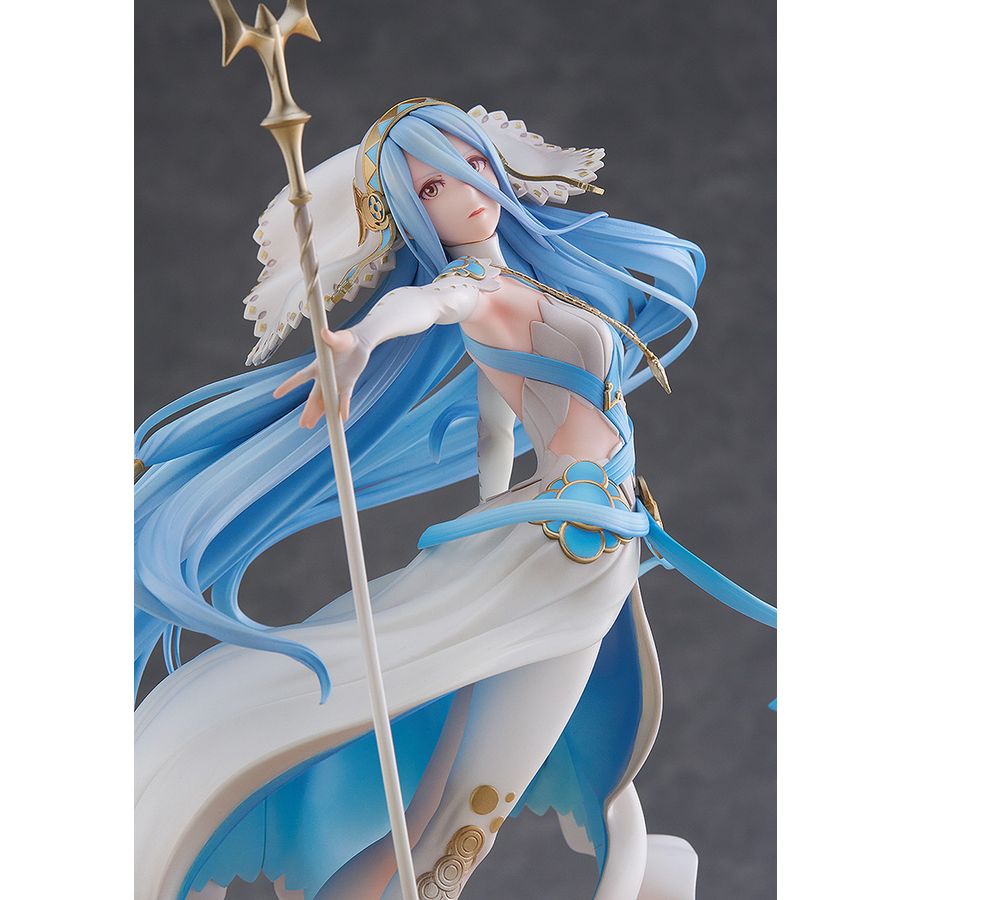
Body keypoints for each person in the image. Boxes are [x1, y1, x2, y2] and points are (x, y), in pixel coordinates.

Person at [134, 98, 773, 900]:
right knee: (464, 824)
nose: (466, 192)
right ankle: (644, 873)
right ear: (412, 214)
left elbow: (496, 428)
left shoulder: (528, 282)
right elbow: (432, 305)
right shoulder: (473, 284)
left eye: (471, 165)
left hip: (572, 535)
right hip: (571, 548)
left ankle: (648, 873)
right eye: (431, 188)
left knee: (521, 778)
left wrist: (494, 535)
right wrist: (364, 339)